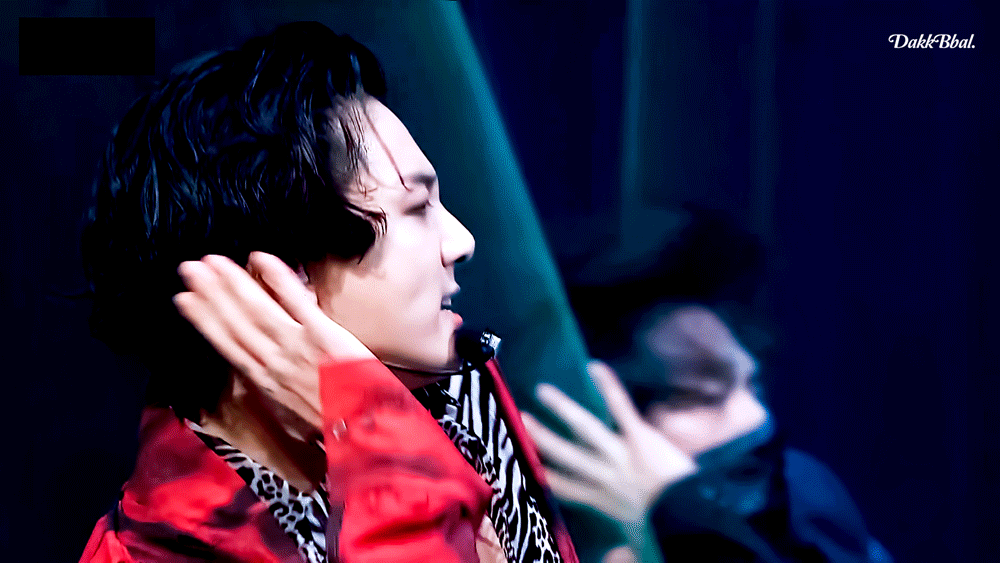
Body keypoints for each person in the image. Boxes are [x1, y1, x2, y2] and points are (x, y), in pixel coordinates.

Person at [80, 21, 577, 563]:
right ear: (274, 281)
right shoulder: (153, 554)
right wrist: (388, 455)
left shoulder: (457, 395)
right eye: (417, 208)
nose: (461, 241)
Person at [523, 304, 892, 563]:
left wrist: (675, 512)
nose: (754, 415)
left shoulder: (804, 493)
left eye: (752, 382)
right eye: (700, 397)